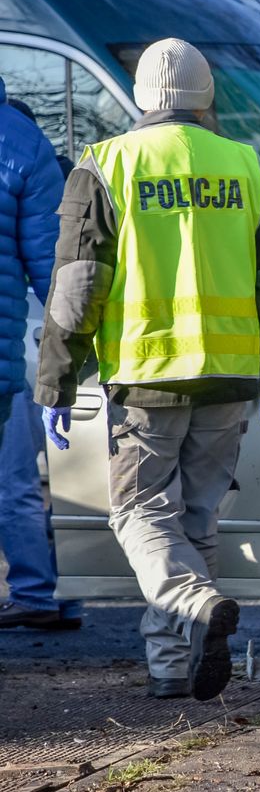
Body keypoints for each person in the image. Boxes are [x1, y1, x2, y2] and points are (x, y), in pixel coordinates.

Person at [35, 39, 260, 701]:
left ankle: (193, 602)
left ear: (142, 98)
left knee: (138, 514)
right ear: (207, 97)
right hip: (230, 378)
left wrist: (57, 379)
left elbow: (78, 286)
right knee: (194, 522)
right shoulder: (248, 166)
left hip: (147, 374)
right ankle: (172, 669)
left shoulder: (108, 165)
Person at [0, 76, 81, 630]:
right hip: (14, 358)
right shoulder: (27, 148)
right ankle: (46, 590)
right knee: (16, 482)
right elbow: (57, 276)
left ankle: (40, 592)